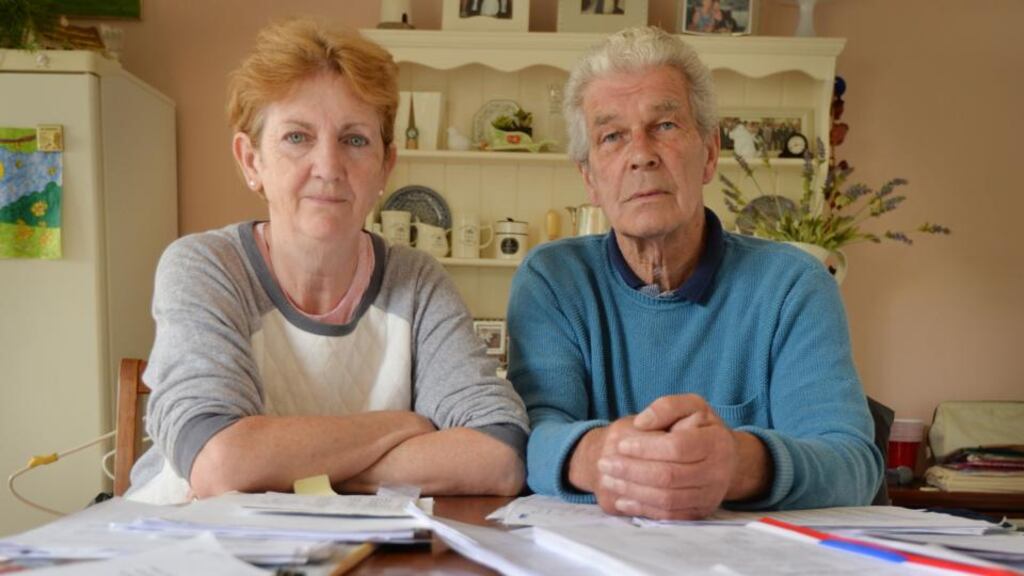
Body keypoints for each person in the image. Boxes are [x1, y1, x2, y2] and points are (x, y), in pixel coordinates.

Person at [127, 19, 528, 504]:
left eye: (355, 139)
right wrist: (404, 426)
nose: (329, 167)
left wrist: (293, 469)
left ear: (385, 166)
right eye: (297, 137)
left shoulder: (416, 281)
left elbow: (498, 454)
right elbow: (220, 464)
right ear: (251, 160)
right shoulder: (206, 267)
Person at [506, 26, 882, 520]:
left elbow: (852, 462)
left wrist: (739, 462)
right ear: (590, 179)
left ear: (709, 152)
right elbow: (531, 437)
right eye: (612, 136)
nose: (641, 153)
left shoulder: (794, 286)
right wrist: (600, 456)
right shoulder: (553, 280)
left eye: (664, 125)